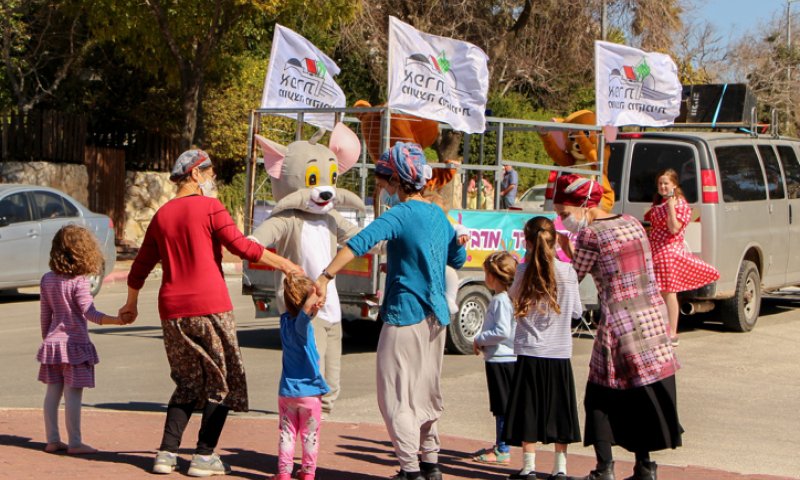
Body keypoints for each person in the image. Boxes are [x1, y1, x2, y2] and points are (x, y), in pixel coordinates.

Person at [119, 149, 303, 477]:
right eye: (210, 173)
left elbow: (140, 267)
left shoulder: (162, 216)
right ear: (195, 175)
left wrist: (131, 304)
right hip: (211, 307)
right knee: (224, 382)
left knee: (188, 381)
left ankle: (166, 453)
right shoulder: (210, 208)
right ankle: (203, 455)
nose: (212, 179)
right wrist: (286, 265)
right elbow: (242, 247)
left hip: (173, 311)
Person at [315, 142, 467, 480]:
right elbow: (456, 260)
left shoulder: (401, 214)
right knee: (427, 392)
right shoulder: (435, 214)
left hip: (405, 314)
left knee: (397, 396)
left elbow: (359, 243)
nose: (382, 186)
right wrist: (455, 242)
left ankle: (410, 469)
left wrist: (325, 277)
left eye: (385, 179)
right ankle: (430, 463)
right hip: (436, 319)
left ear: (397, 180)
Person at [554, 174, 681, 480]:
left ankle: (604, 469)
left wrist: (562, 248)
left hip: (619, 324)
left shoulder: (590, 235)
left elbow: (574, 276)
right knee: (640, 393)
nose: (562, 219)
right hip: (652, 319)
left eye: (564, 214)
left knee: (599, 396)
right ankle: (645, 466)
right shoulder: (632, 222)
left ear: (584, 205)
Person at [504, 217, 583, 480]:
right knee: (560, 410)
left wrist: (524, 264)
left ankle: (528, 467)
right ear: (555, 240)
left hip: (530, 350)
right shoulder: (568, 272)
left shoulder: (523, 271)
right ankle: (559, 467)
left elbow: (513, 297)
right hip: (559, 351)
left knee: (528, 409)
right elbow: (576, 312)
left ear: (527, 242)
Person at [37, 225, 125, 455]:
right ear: (84, 251)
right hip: (75, 345)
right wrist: (115, 320)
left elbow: (45, 315)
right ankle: (75, 442)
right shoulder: (80, 281)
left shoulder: (47, 280)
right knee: (73, 393)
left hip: (53, 344)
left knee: (52, 393)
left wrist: (47, 339)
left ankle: (52, 440)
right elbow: (89, 312)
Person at [644, 169, 719, 344]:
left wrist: (671, 206)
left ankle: (672, 332)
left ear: (675, 185)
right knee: (658, 293)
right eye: (660, 183)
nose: (662, 186)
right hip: (656, 251)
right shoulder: (659, 202)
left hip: (669, 252)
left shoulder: (680, 204)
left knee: (669, 292)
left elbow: (674, 229)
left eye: (666, 183)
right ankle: (661, 329)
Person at [273, 275, 329, 480]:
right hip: (310, 393)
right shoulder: (301, 327)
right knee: (310, 435)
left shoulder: (284, 322)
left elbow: (302, 315)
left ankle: (284, 472)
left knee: (287, 433)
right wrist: (312, 299)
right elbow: (304, 317)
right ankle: (307, 472)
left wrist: (311, 305)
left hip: (287, 393)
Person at [471, 251, 517, 467]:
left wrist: (480, 339)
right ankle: (501, 444)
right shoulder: (512, 298)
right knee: (503, 405)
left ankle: (503, 448)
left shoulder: (500, 300)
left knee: (501, 407)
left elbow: (502, 330)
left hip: (500, 358)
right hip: (508, 357)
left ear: (493, 275)